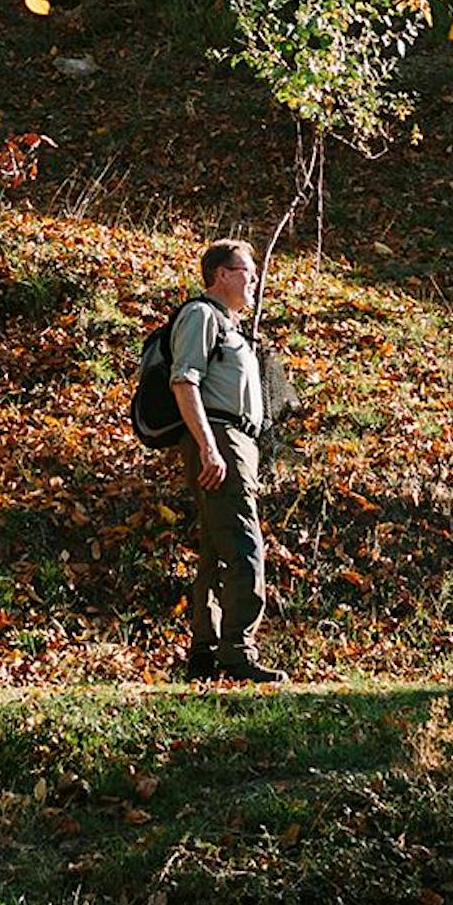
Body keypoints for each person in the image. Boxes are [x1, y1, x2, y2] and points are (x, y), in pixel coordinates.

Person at [170, 239, 287, 685]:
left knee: (217, 549)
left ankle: (205, 653)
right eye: (246, 272)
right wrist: (209, 446)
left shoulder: (229, 326)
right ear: (221, 274)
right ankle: (238, 651)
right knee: (243, 545)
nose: (254, 280)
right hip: (221, 437)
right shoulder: (201, 316)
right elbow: (184, 382)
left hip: (235, 440)